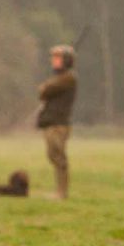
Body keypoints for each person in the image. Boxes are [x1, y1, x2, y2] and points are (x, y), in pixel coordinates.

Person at [37, 45, 77, 199]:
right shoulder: (61, 77)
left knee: (59, 157)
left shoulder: (68, 78)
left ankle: (62, 192)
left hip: (59, 124)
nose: (53, 61)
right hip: (51, 122)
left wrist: (45, 86)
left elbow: (45, 91)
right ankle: (59, 190)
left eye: (57, 58)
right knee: (52, 155)